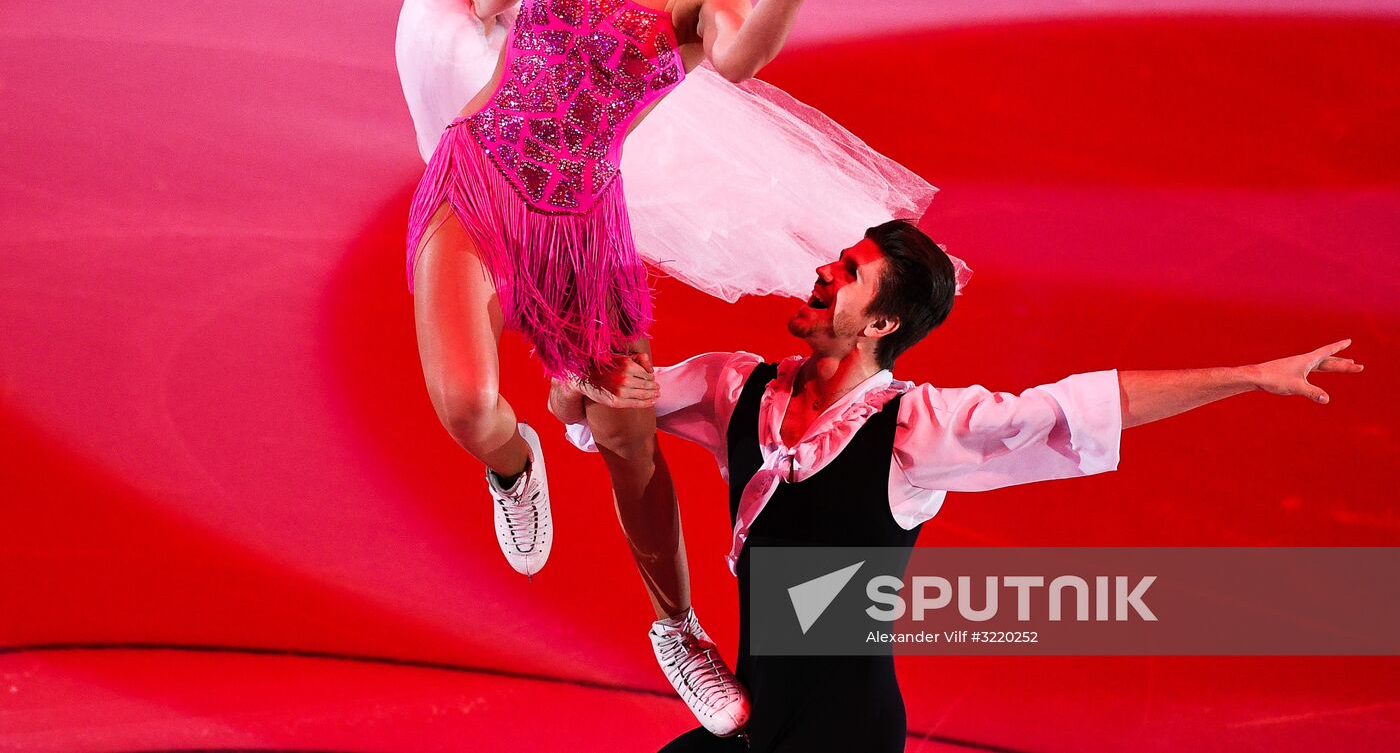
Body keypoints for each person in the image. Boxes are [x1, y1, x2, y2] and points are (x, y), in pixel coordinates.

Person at [397, 0, 960, 737]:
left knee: (627, 443)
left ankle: (677, 628)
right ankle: (511, 462)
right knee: (462, 404)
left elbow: (743, 59)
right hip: (476, 182)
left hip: (581, 234)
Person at [549, 219, 1363, 752]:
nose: (825, 270)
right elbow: (601, 412)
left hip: (846, 738)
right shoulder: (736, 387)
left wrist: (1250, 375)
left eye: (852, 272)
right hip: (751, 717)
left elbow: (1072, 410)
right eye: (839, 257)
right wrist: (569, 369)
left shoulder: (915, 431)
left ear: (881, 326)